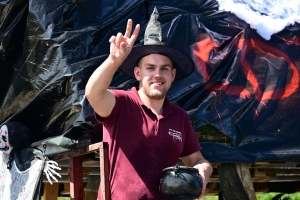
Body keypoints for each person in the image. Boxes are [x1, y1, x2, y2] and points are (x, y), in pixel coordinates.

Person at [85, 8, 212, 200]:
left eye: (164, 69)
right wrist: (114, 60)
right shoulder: (121, 103)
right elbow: (93, 93)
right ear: (138, 73)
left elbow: (197, 160)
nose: (157, 75)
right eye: (150, 68)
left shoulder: (179, 117)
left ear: (173, 75)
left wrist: (203, 171)